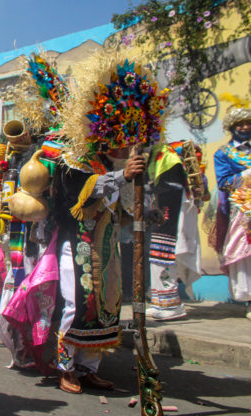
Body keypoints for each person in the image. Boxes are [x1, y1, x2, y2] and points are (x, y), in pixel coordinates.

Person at [52, 57, 168, 394]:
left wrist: (146, 211)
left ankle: (88, 368)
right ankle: (66, 367)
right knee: (77, 303)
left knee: (108, 306)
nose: (124, 144)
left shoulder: (113, 164)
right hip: (77, 246)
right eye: (118, 135)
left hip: (108, 247)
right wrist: (122, 175)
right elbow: (79, 198)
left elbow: (123, 209)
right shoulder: (74, 160)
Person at [146, 140, 207, 320]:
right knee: (158, 251)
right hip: (163, 211)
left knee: (166, 249)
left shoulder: (169, 155)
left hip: (173, 210)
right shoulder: (157, 154)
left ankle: (170, 303)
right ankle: (160, 300)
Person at [212, 104, 251, 319]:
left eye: (248, 123)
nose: (245, 127)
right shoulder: (223, 154)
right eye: (240, 124)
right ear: (232, 127)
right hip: (243, 207)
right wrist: (246, 175)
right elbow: (224, 182)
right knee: (246, 253)